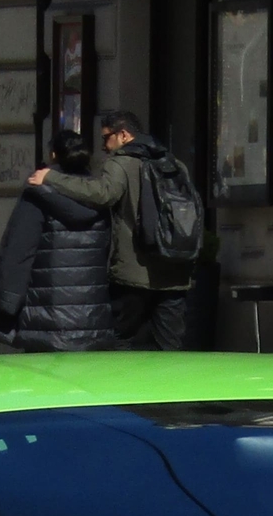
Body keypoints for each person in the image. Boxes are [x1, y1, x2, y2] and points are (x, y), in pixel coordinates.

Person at [28, 109, 195, 350]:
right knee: (170, 346)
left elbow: (102, 193)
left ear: (124, 135)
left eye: (107, 137)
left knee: (119, 341)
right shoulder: (173, 163)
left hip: (135, 274)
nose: (104, 146)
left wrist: (51, 178)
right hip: (175, 271)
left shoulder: (121, 163)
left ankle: (122, 387)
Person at [0, 131, 115, 351]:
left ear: (54, 155)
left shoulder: (38, 194)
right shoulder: (99, 196)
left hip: (45, 317)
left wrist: (5, 304)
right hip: (91, 320)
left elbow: (19, 252)